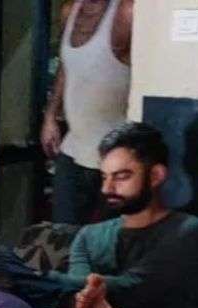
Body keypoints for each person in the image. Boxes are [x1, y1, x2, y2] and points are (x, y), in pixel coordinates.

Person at [17, 122, 198, 308]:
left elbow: (133, 287)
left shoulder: (187, 231)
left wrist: (40, 279)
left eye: (121, 177)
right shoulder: (90, 235)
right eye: (104, 176)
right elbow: (78, 294)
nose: (108, 187)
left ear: (155, 175)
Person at [42, 0, 133, 224]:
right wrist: (50, 116)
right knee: (62, 234)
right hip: (73, 148)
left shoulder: (125, 11)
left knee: (103, 240)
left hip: (112, 157)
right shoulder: (70, 11)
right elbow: (65, 68)